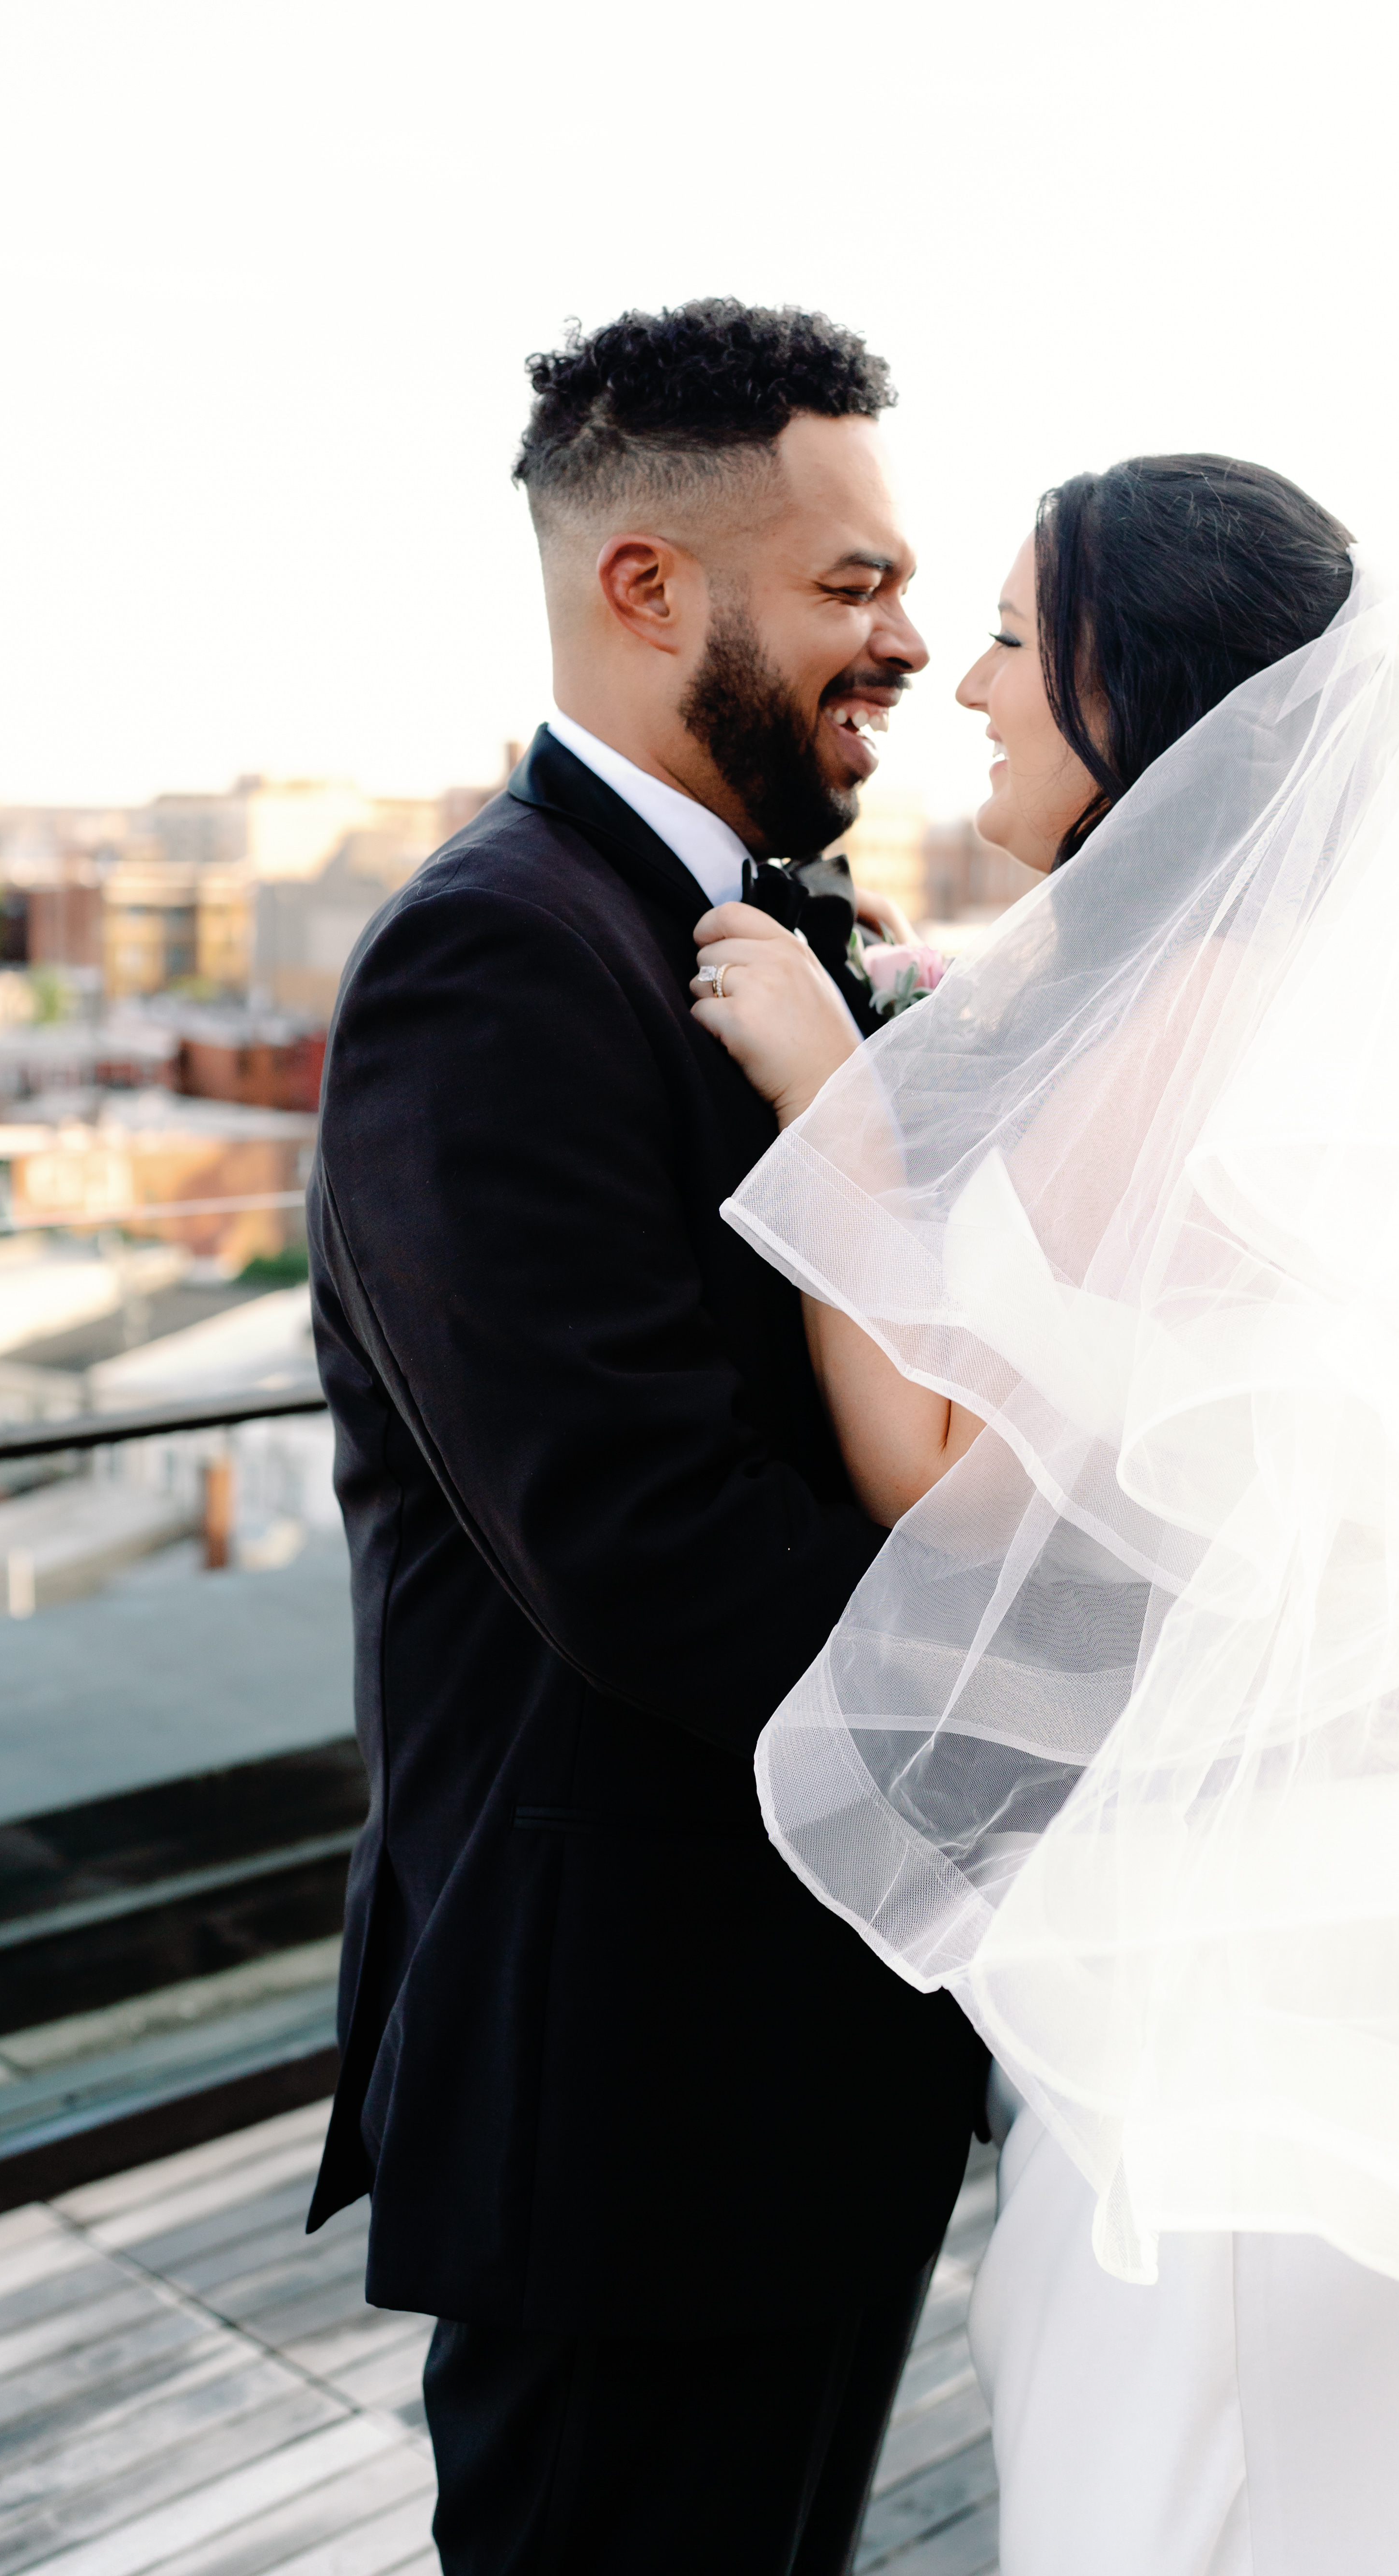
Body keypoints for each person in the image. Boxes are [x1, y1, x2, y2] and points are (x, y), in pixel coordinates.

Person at [690, 453, 1399, 2575]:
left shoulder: (1175, 1027)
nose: (968, 682)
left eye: (1021, 645)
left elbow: (954, 1487)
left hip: (1272, 1961)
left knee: (1192, 2502)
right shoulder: (1323, 1005)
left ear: (1144, 704)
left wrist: (823, 1109)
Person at [304, 299, 988, 2576]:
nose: (905, 635)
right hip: (625, 2084)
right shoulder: (489, 962)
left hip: (827, 2044)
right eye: (854, 583)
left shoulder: (826, 940)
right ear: (647, 588)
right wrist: (1060, 1693)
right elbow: (639, 1541)